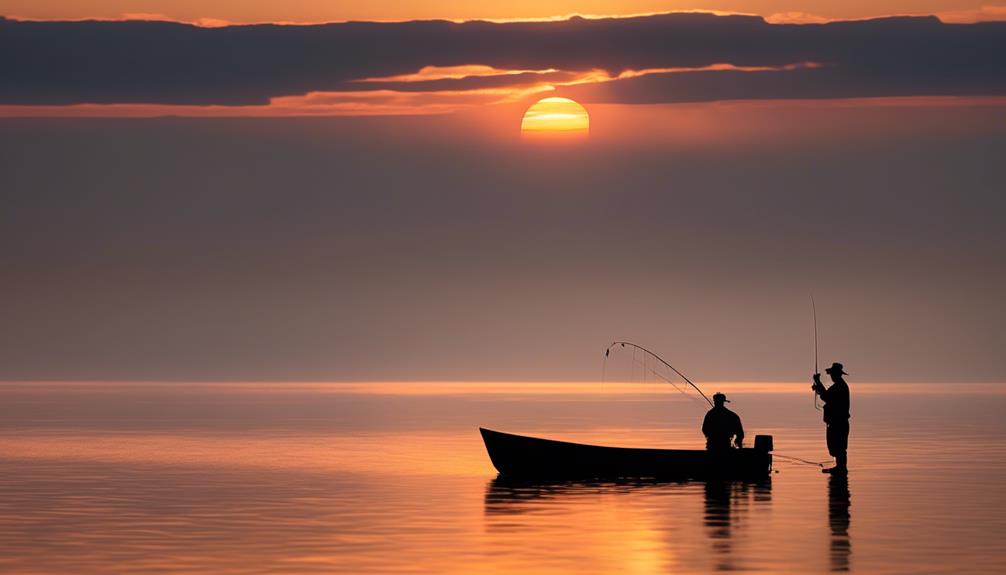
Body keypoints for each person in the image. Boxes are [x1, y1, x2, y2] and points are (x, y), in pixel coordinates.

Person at [813, 362, 851, 474]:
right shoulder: (839, 386)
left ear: (837, 374)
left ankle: (841, 468)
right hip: (838, 422)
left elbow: (826, 396)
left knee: (839, 447)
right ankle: (839, 468)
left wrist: (818, 382)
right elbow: (827, 395)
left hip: (838, 422)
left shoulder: (839, 386)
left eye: (832, 374)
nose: (831, 376)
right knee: (836, 447)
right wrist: (818, 387)